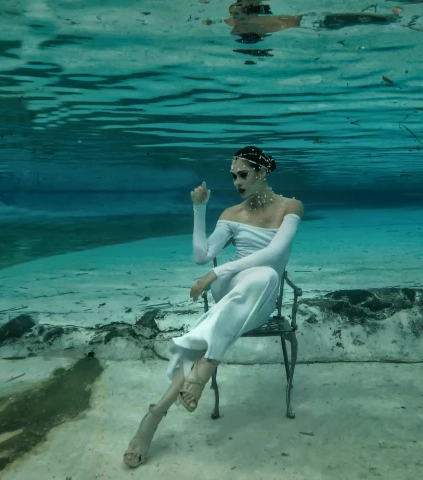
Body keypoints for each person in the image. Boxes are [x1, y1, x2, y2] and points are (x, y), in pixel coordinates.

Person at [123, 146, 304, 468]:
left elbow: (274, 253)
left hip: (259, 295)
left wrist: (213, 273)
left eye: (243, 174)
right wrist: (199, 209)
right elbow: (201, 256)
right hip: (231, 290)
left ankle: (154, 415)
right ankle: (204, 369)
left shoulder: (291, 207)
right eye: (233, 175)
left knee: (263, 275)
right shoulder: (231, 214)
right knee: (247, 289)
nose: (237, 181)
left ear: (262, 173)